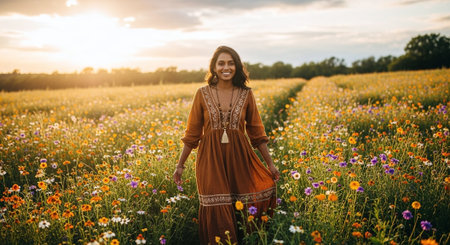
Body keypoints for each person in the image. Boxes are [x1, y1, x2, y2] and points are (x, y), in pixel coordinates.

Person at [173, 46, 280, 244]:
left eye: (231, 63)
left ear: (237, 66)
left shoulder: (246, 94)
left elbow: (257, 133)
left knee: (241, 207)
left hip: (240, 158)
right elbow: (192, 135)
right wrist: (180, 165)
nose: (226, 67)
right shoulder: (202, 93)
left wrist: (270, 164)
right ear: (213, 67)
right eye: (221, 63)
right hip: (209, 161)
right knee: (217, 206)